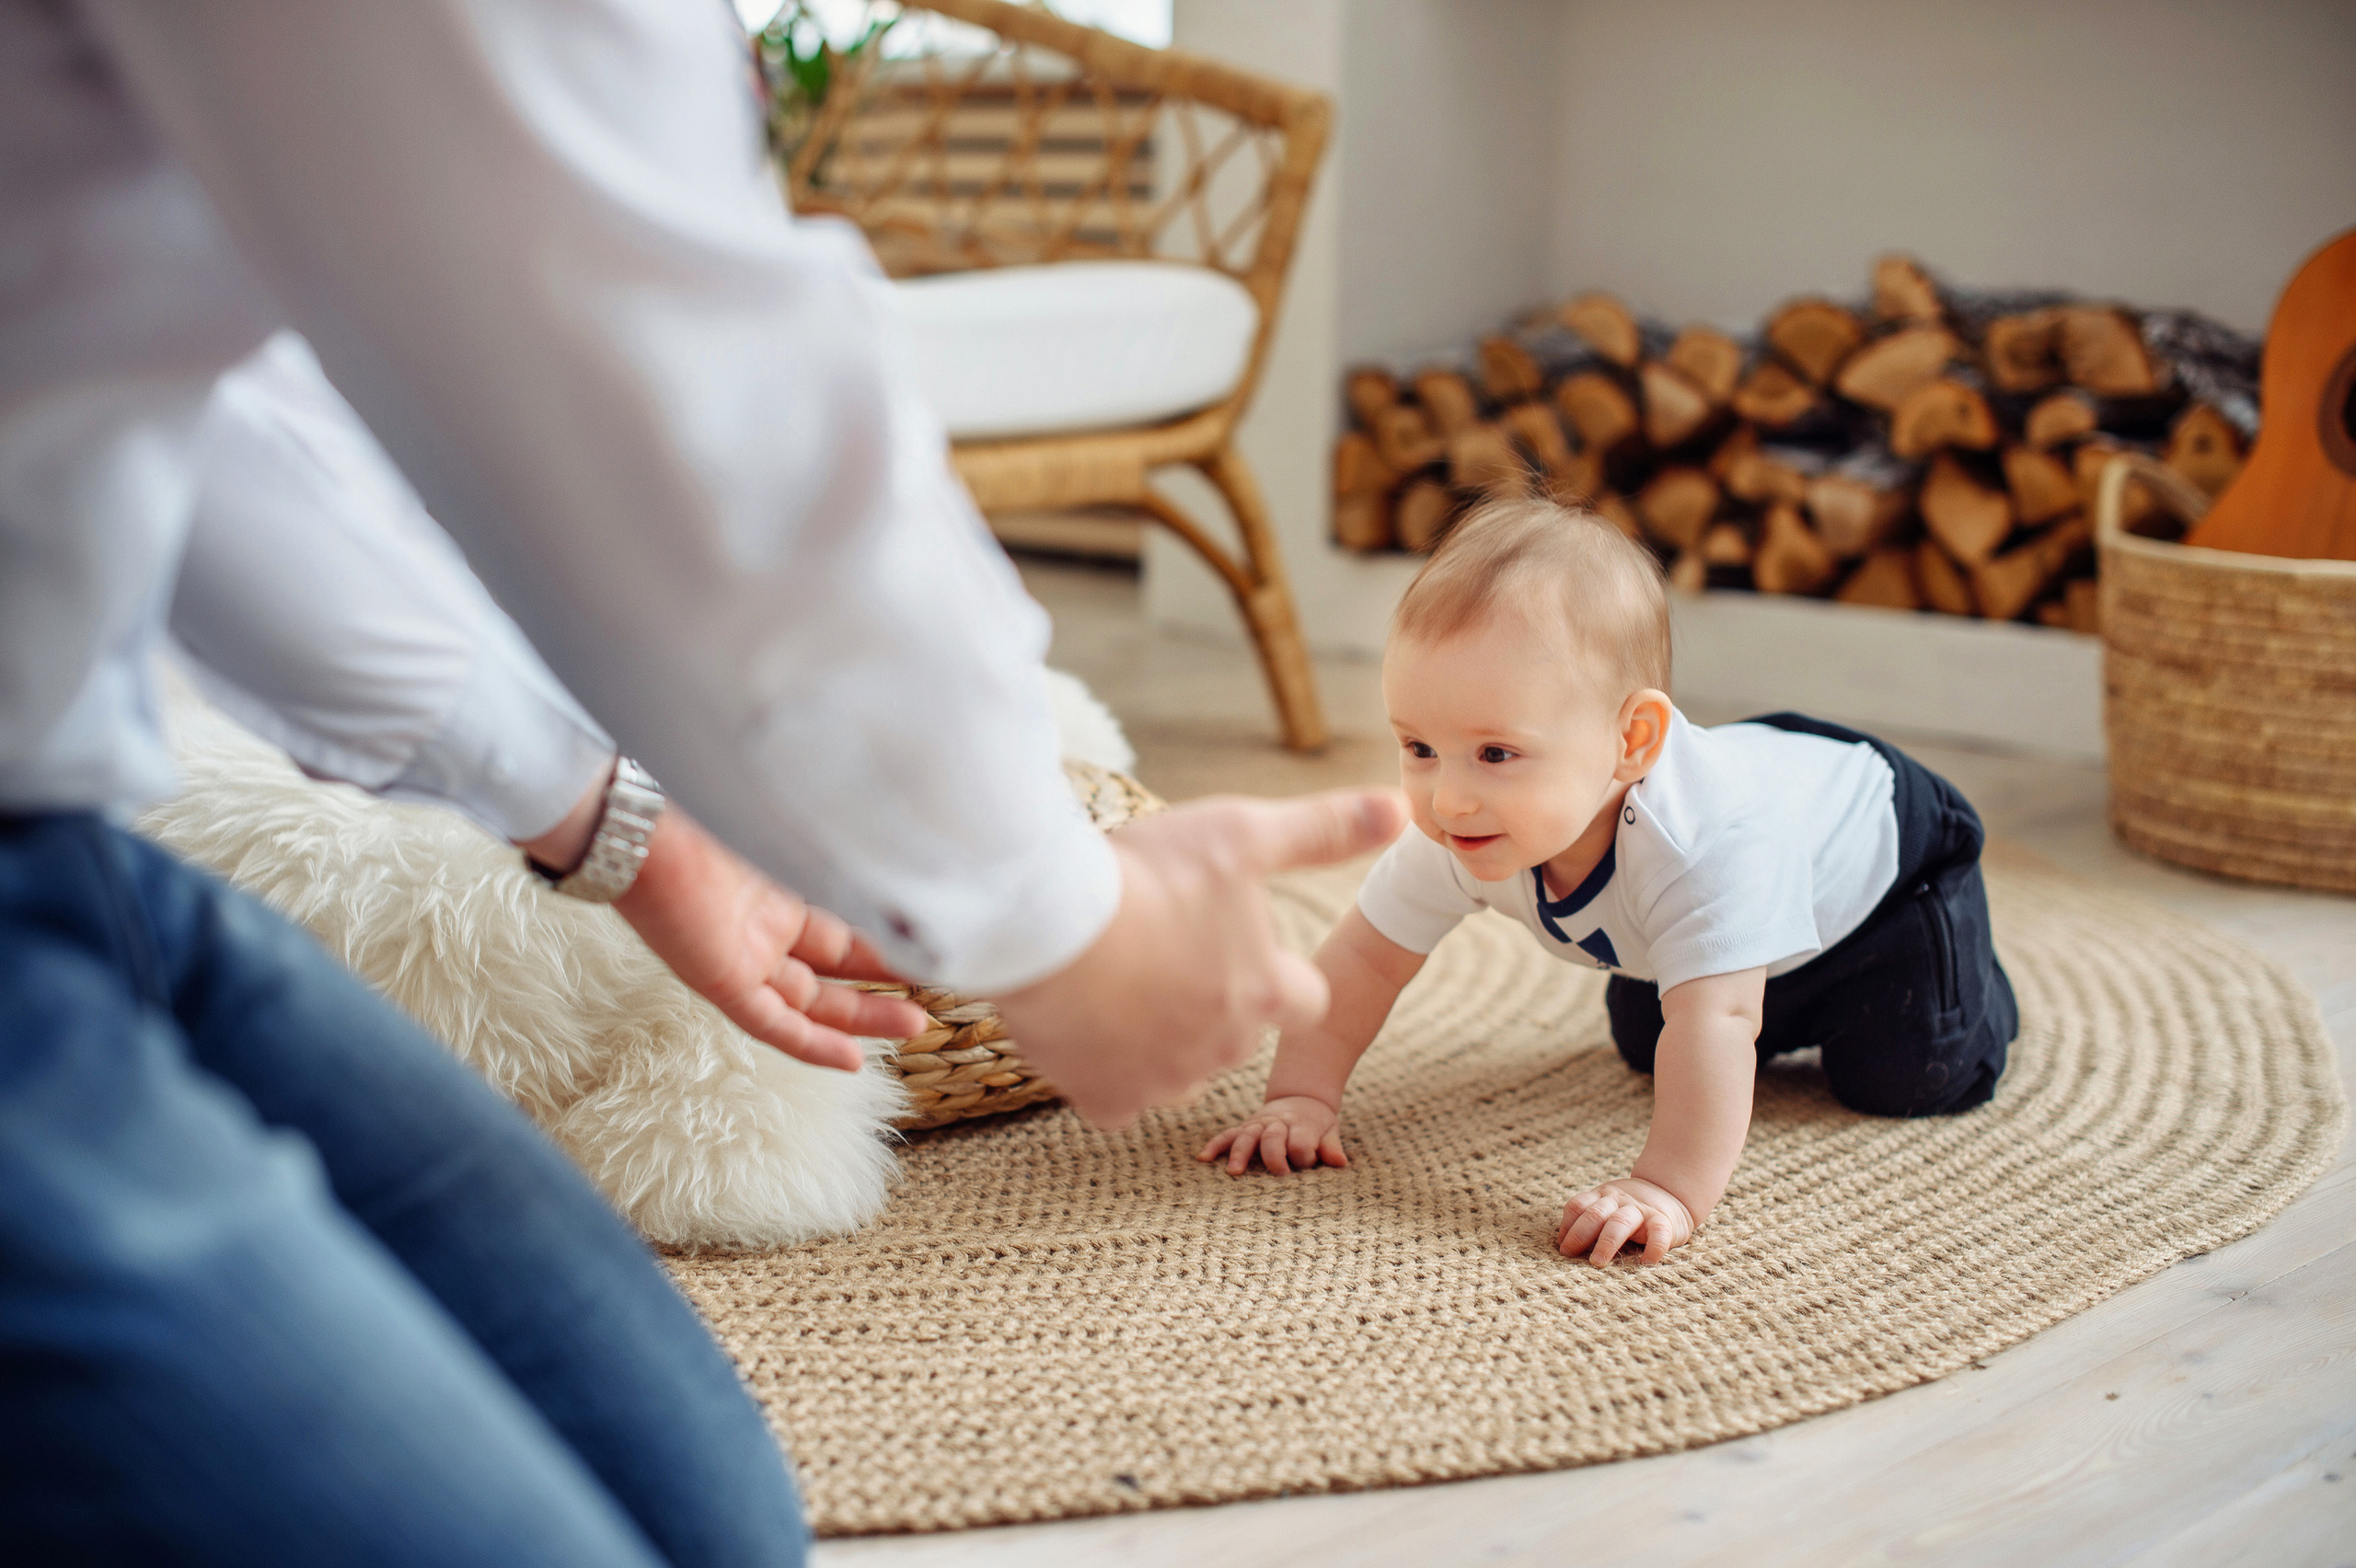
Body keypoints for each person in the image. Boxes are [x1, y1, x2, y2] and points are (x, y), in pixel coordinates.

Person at [0, 3, 1403, 1563]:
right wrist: (1056, 914)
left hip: (67, 864)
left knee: (702, 1513)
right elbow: (653, 354)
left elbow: (207, 435)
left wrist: (624, 826)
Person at [1200, 496, 2017, 1268]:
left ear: (1632, 741)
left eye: (1495, 753)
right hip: (1765, 864)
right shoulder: (1461, 825)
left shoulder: (1706, 847)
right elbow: (1365, 960)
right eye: (1419, 748)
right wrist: (1300, 1096)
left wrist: (1668, 1190)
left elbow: (1722, 1019)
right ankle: (1782, 986)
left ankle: (1977, 987)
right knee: (1648, 1036)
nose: (1447, 799)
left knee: (1905, 1073)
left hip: (1891, 869)